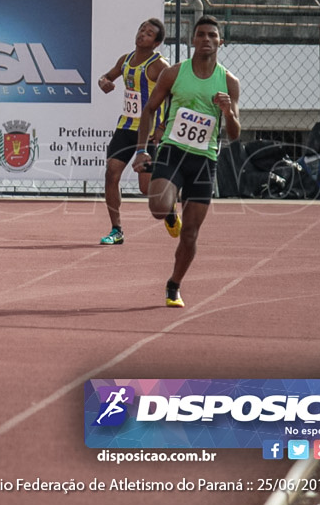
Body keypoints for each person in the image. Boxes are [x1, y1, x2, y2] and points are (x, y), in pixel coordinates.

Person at [132, 15, 241, 308]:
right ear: (192, 40)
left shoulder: (229, 82)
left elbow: (234, 133)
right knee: (157, 208)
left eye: (212, 36)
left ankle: (174, 284)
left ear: (221, 42)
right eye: (201, 34)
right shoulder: (174, 74)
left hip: (205, 160)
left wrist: (228, 111)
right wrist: (142, 150)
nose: (206, 39)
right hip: (172, 150)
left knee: (191, 233)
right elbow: (149, 109)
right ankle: (169, 213)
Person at [96, 18, 169, 245]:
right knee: (111, 173)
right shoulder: (126, 60)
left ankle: (170, 204)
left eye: (148, 34)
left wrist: (161, 126)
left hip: (147, 132)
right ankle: (116, 229)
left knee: (146, 188)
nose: (142, 35)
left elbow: (175, 96)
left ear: (156, 43)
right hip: (125, 127)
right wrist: (104, 82)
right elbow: (106, 77)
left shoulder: (160, 66)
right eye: (141, 30)